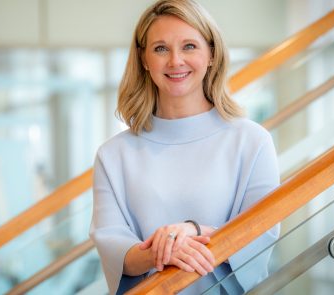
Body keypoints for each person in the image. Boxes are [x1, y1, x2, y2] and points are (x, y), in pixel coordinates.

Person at [89, 0, 280, 294]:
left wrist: (194, 230)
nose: (175, 61)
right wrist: (161, 251)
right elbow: (114, 247)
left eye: (189, 46)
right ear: (144, 59)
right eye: (161, 48)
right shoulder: (113, 155)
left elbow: (261, 233)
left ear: (211, 54)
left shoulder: (252, 141)